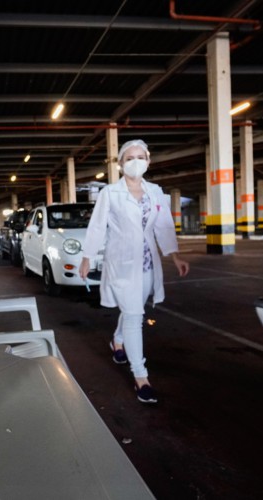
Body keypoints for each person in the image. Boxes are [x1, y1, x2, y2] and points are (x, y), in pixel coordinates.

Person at [79, 139, 189, 404]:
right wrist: (86, 257)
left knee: (134, 309)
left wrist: (174, 256)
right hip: (122, 263)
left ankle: (117, 341)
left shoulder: (155, 191)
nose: (136, 161)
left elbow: (163, 226)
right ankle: (141, 377)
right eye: (129, 158)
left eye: (140, 157)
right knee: (134, 316)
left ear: (148, 161)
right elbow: (97, 227)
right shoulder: (110, 193)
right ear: (120, 164)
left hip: (148, 264)